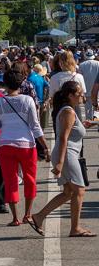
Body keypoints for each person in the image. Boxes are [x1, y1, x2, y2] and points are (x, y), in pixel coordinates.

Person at [28, 81, 94, 237]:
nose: (81, 96)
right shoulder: (68, 112)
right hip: (67, 154)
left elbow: (70, 130)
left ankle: (39, 217)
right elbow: (63, 138)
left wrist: (84, 125)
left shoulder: (69, 111)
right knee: (79, 190)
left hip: (68, 154)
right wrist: (60, 163)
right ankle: (75, 228)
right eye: (78, 94)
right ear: (70, 96)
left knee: (68, 192)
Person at [0, 71, 46, 226]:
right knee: (30, 179)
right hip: (27, 145)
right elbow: (35, 126)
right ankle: (27, 214)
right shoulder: (27, 100)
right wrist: (45, 145)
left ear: (5, 84)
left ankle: (15, 217)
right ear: (21, 83)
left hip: (5, 144)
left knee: (10, 180)